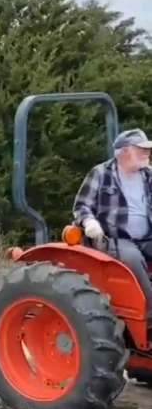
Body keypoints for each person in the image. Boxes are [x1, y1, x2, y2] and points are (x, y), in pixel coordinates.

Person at [73, 128, 152, 322]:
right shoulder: (100, 174)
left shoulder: (148, 175)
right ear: (125, 151)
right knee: (133, 260)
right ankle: (149, 318)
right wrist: (90, 222)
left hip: (146, 236)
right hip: (115, 238)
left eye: (147, 149)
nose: (146, 153)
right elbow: (82, 205)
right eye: (141, 149)